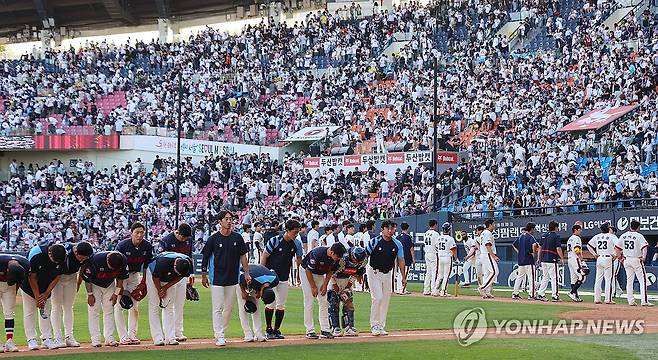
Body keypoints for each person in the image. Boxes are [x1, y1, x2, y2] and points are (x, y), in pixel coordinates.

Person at [201, 210, 251, 347]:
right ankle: (219, 335)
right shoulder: (213, 238)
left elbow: (243, 256)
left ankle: (222, 331)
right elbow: (205, 256)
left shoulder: (237, 238)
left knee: (228, 307)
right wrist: (204, 275)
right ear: (220, 222)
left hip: (232, 277)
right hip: (217, 277)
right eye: (226, 219)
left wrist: (246, 273)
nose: (229, 221)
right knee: (217, 307)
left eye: (231, 219)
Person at [260, 219, 303, 340]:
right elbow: (264, 256)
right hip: (270, 277)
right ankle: (268, 329)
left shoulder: (297, 243)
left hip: (284, 277)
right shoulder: (274, 241)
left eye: (298, 232)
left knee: (281, 304)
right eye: (294, 232)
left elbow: (299, 259)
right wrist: (262, 275)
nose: (296, 235)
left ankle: (277, 329)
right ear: (287, 231)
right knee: (270, 303)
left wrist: (299, 275)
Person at [21, 243, 66, 350]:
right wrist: (37, 297)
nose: (56, 263)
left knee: (45, 312)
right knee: (29, 311)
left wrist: (45, 294)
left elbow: (58, 276)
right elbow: (32, 276)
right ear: (49, 253)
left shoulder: (62, 255)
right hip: (28, 286)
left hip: (46, 285)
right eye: (54, 261)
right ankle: (31, 339)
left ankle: (47, 339)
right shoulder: (36, 253)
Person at [114, 222, 153, 345]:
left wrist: (144, 281)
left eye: (142, 232)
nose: (140, 235)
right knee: (119, 305)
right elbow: (116, 266)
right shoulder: (122, 246)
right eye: (137, 232)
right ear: (131, 233)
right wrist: (120, 287)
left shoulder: (147, 246)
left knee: (134, 305)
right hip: (120, 276)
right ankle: (123, 336)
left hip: (135, 275)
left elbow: (147, 265)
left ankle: (132, 334)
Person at [79, 251, 128, 347]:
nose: (112, 270)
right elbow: (87, 279)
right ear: (107, 260)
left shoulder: (123, 260)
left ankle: (109, 338)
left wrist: (116, 294)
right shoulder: (95, 259)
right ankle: (95, 339)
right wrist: (90, 294)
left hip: (109, 285)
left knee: (109, 310)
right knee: (94, 311)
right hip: (95, 285)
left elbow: (121, 278)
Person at [365, 220, 406, 336]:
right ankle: (374, 325)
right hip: (374, 272)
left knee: (386, 299)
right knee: (377, 298)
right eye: (388, 228)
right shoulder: (374, 241)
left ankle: (381, 325)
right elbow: (365, 256)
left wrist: (403, 277)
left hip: (388, 273)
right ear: (382, 229)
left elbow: (401, 260)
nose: (390, 231)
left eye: (392, 228)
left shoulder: (397, 244)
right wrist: (359, 272)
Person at [50, 241, 93, 348]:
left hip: (72, 277)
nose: (83, 259)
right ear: (76, 253)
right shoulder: (66, 252)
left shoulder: (86, 254)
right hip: (58, 278)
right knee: (56, 307)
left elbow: (82, 270)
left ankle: (69, 336)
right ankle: (58, 337)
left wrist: (78, 284)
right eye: (82, 257)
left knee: (68, 307)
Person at [300, 243, 346, 339]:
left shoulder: (336, 259)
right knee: (309, 300)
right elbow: (308, 270)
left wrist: (325, 285)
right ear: (332, 252)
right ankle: (310, 330)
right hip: (306, 272)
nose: (338, 259)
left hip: (320, 274)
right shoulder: (318, 253)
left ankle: (325, 329)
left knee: (323, 301)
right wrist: (313, 287)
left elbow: (331, 271)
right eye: (337, 256)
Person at [146, 252, 193, 346]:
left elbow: (180, 276)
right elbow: (155, 277)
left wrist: (166, 287)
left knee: (169, 306)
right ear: (174, 265)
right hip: (152, 275)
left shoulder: (187, 263)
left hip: (169, 280)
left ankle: (170, 337)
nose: (178, 273)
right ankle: (158, 338)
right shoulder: (162, 262)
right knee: (154, 305)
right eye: (177, 271)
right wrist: (160, 290)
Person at [158, 223, 194, 342]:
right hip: (169, 276)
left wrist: (191, 273)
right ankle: (168, 332)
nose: (184, 240)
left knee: (180, 304)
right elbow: (162, 258)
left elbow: (189, 256)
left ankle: (178, 332)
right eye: (183, 237)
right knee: (169, 304)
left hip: (182, 275)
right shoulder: (166, 241)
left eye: (186, 238)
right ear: (177, 232)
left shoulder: (188, 240)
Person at [329, 246, 367, 337]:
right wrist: (335, 286)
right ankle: (335, 327)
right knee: (334, 303)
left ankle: (349, 327)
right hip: (335, 279)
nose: (356, 263)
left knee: (348, 304)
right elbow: (330, 272)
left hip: (347, 280)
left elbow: (358, 274)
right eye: (355, 260)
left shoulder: (363, 261)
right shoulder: (342, 258)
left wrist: (348, 286)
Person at [236, 264, 279, 342]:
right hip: (242, 277)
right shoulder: (253, 280)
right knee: (243, 305)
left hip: (257, 280)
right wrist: (243, 292)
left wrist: (259, 290)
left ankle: (258, 334)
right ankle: (248, 334)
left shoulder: (275, 280)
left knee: (256, 307)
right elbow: (239, 275)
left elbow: (272, 271)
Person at [616, 220, 653, 306]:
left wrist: (620, 258)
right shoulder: (639, 236)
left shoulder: (624, 235)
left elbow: (617, 248)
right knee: (642, 281)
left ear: (630, 226)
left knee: (629, 281)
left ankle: (631, 301)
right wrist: (643, 257)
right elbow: (644, 248)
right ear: (638, 227)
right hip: (636, 259)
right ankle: (644, 301)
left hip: (627, 260)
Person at [0, 254, 30, 352]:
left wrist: (15, 289)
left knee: (9, 312)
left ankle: (9, 341)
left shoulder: (25, 264)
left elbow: (19, 281)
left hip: (10, 288)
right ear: (7, 270)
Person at [587, 222, 618, 304]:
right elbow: (618, 246)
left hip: (599, 258)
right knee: (608, 280)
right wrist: (616, 255)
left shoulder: (597, 236)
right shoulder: (612, 236)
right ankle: (608, 299)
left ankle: (597, 298)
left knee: (598, 279)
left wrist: (594, 254)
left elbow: (589, 245)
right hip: (608, 258)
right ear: (608, 228)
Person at [536, 221, 564, 302]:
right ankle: (555, 296)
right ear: (555, 227)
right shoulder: (556, 236)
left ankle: (541, 294)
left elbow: (540, 248)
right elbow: (558, 248)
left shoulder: (543, 235)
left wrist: (538, 258)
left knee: (545, 277)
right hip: (552, 259)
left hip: (544, 259)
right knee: (554, 278)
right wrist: (562, 258)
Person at [511, 223, 538, 300]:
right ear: (531, 229)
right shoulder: (530, 236)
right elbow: (534, 245)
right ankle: (531, 295)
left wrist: (519, 252)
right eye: (534, 229)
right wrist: (534, 254)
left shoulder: (521, 236)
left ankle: (515, 293)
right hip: (529, 260)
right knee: (531, 278)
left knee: (519, 277)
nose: (534, 230)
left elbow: (513, 245)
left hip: (521, 260)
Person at [434, 222, 457, 297]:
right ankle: (443, 291)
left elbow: (436, 248)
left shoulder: (439, 238)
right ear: (449, 230)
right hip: (447, 257)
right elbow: (453, 249)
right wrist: (456, 258)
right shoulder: (450, 238)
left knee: (440, 275)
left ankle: (435, 290)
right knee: (446, 275)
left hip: (440, 257)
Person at [566, 224, 587, 302]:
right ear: (576, 230)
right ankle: (572, 292)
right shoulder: (577, 238)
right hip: (575, 259)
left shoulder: (570, 238)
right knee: (582, 277)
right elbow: (577, 249)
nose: (581, 231)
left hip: (570, 259)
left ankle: (575, 296)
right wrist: (581, 259)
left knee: (573, 279)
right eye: (580, 229)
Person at [478, 219, 498, 299]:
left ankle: (487, 292)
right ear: (490, 225)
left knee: (487, 274)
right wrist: (493, 256)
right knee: (495, 272)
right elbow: (487, 245)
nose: (494, 226)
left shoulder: (483, 233)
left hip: (484, 254)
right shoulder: (487, 233)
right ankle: (482, 288)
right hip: (487, 254)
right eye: (493, 224)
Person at [396, 222, 414, 294]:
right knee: (404, 273)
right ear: (407, 228)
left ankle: (399, 288)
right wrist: (413, 258)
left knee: (399, 273)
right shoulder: (408, 237)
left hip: (399, 257)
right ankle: (402, 289)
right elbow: (411, 249)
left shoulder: (398, 237)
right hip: (406, 257)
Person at [422, 220, 439, 295]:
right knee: (434, 272)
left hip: (427, 253)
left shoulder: (426, 233)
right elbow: (437, 245)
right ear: (435, 225)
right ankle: (433, 290)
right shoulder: (436, 234)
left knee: (428, 272)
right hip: (433, 253)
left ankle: (426, 290)